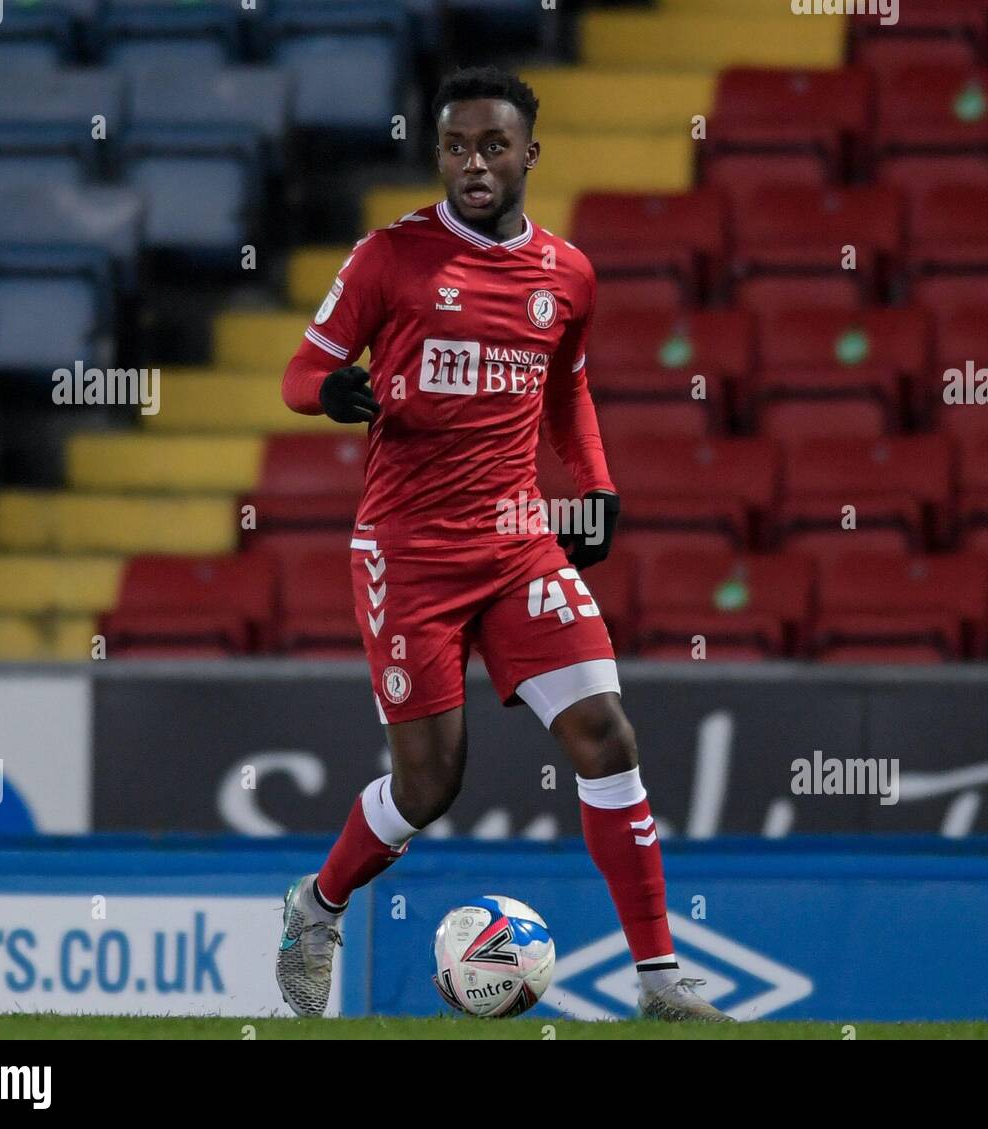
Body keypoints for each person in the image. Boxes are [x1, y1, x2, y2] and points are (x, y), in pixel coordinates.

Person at [275, 66, 728, 1023]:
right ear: (438, 152)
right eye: (455, 146)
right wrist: (332, 393)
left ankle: (659, 980)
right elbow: (300, 371)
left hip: (520, 540)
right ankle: (317, 905)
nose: (473, 164)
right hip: (408, 552)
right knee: (430, 783)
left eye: (492, 146)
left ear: (530, 153)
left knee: (607, 733)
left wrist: (594, 485)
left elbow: (567, 390)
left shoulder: (567, 275)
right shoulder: (389, 258)